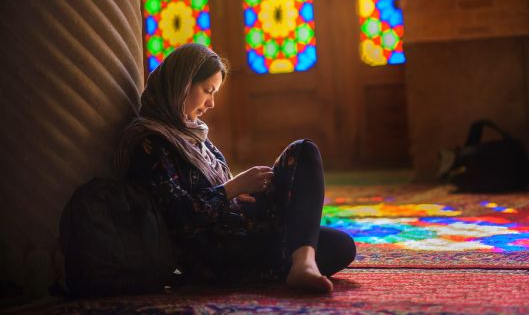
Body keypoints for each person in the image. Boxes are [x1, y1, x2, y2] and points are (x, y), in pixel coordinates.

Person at [114, 43, 355, 292]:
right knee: (335, 247)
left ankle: (302, 264)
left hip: (239, 225)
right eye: (208, 90)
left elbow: (219, 190)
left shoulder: (191, 135)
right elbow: (177, 218)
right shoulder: (150, 143)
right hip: (213, 251)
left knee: (304, 151)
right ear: (181, 84)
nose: (211, 103)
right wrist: (232, 188)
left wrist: (244, 191)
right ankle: (287, 265)